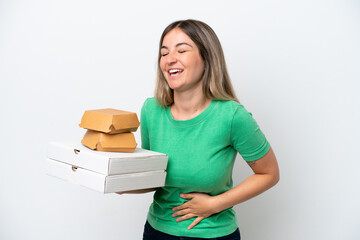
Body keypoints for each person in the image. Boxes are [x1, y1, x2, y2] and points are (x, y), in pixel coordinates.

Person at [138, 19, 279, 239]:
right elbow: (152, 175)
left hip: (214, 235)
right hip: (157, 232)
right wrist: (117, 181)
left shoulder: (232, 116)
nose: (169, 59)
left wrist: (215, 204)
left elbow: (269, 173)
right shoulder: (151, 110)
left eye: (182, 50)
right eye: (164, 53)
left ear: (207, 59)